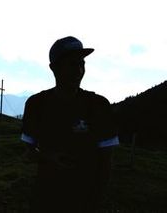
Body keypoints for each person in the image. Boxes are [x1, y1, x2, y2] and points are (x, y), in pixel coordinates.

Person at [21, 36, 119, 213]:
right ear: (54, 69)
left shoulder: (99, 106)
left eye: (82, 64)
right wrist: (49, 157)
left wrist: (97, 200)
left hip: (85, 201)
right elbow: (28, 153)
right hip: (46, 199)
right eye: (72, 64)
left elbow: (107, 161)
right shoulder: (36, 104)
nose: (79, 70)